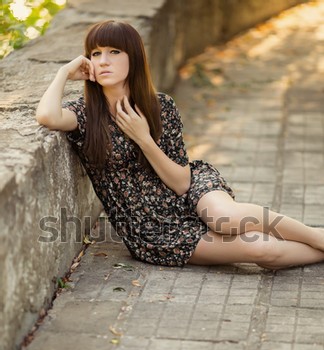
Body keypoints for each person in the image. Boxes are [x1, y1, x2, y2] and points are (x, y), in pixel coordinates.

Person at [36, 20, 324, 270]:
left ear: (133, 58)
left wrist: (143, 139)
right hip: (155, 229)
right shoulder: (85, 115)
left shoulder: (160, 107)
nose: (103, 61)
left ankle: (317, 236)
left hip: (190, 188)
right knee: (264, 250)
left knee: (225, 218)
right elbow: (47, 116)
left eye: (114, 52)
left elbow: (182, 182)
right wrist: (63, 72)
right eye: (95, 54)